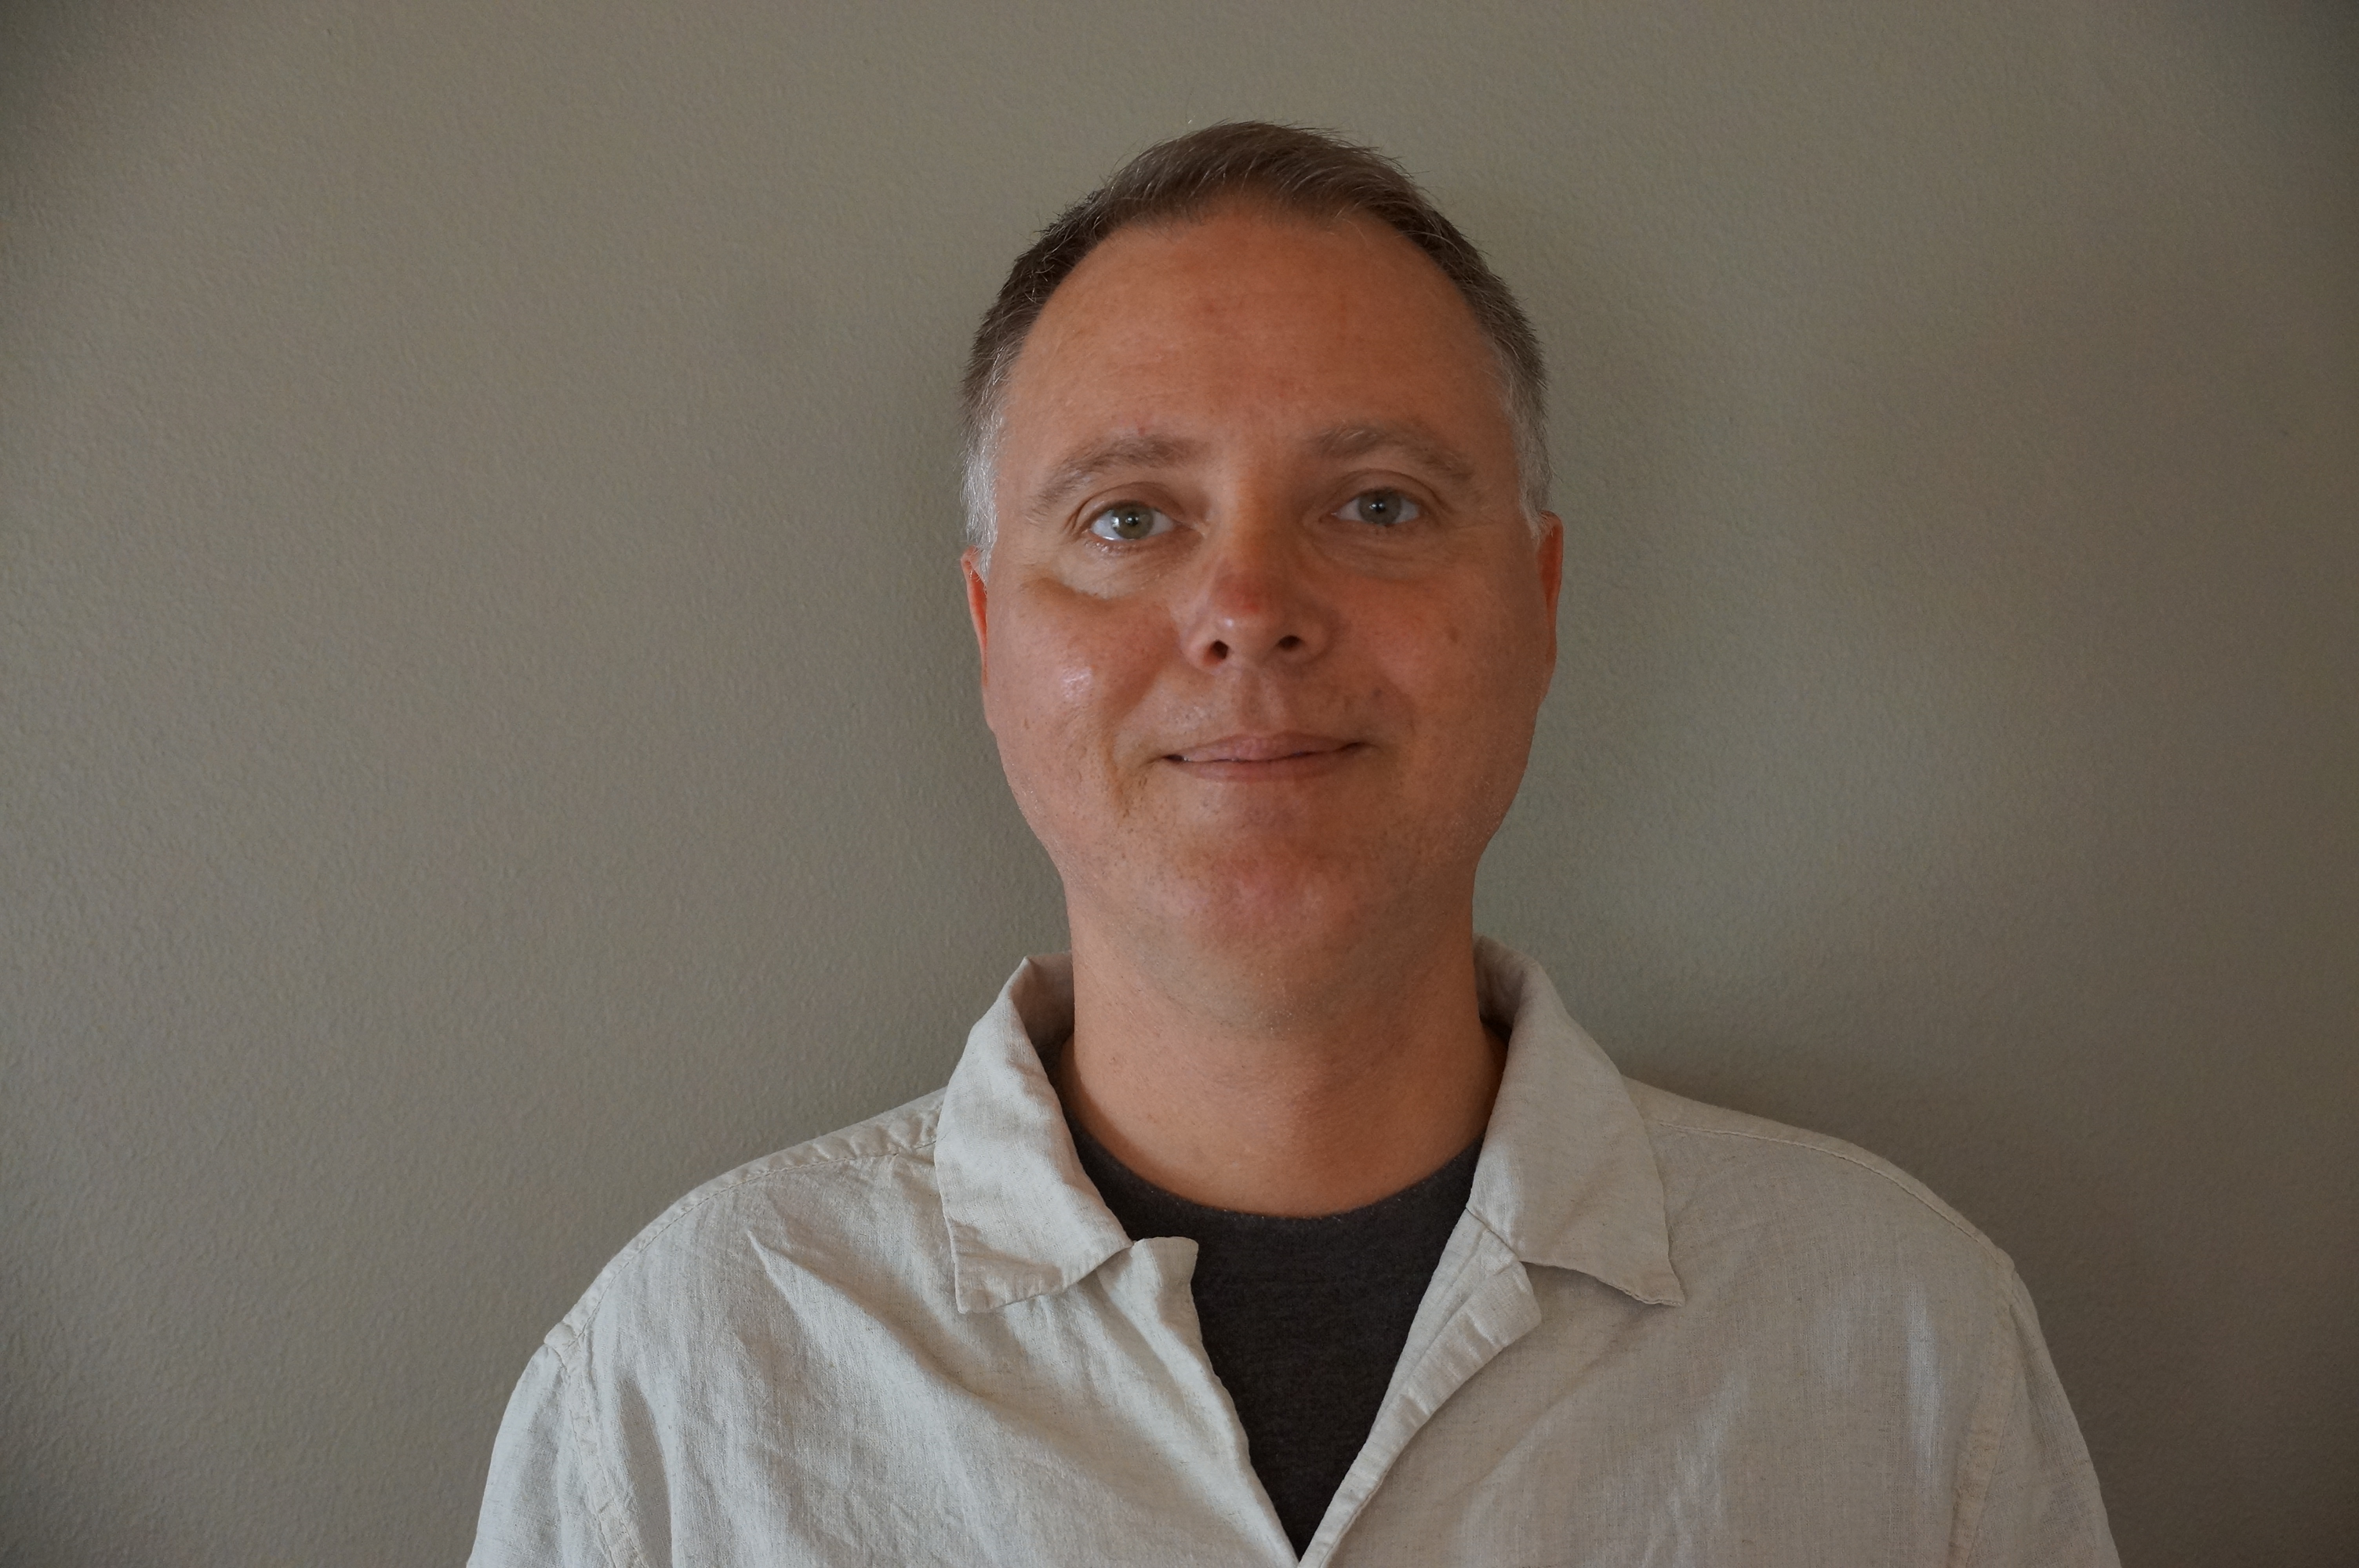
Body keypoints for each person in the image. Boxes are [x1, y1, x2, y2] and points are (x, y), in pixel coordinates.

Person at [470, 122, 2117, 1566]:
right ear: (987, 636)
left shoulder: (1902, 1343)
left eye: (1379, 503)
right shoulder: (678, 1386)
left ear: (1538, 604)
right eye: (1128, 518)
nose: (1249, 608)